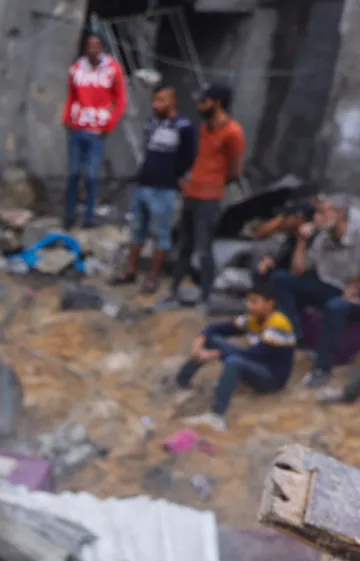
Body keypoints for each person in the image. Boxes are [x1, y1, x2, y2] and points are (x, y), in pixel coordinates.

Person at [273, 202, 360, 390]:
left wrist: (355, 282)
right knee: (280, 279)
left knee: (336, 306)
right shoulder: (321, 240)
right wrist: (301, 241)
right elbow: (297, 270)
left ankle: (322, 369)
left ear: (340, 214)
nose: (317, 218)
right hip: (334, 287)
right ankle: (296, 338)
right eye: (317, 213)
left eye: (323, 213)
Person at [174, 284, 294, 429]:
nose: (249, 305)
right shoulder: (253, 319)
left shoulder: (278, 324)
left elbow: (256, 354)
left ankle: (216, 416)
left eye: (254, 301)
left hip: (271, 377)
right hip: (256, 365)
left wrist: (215, 354)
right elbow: (217, 328)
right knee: (212, 340)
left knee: (234, 362)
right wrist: (200, 340)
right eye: (248, 301)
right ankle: (181, 381)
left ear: (270, 303)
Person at [113, 85, 196, 292]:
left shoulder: (184, 127)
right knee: (137, 230)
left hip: (164, 188)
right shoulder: (152, 124)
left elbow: (189, 157)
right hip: (143, 184)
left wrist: (174, 176)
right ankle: (131, 271)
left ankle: (153, 277)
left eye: (161, 100)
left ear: (172, 101)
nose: (156, 105)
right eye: (155, 100)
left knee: (161, 233)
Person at [169, 84, 245, 305]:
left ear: (217, 103)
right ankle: (174, 290)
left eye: (204, 101)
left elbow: (235, 170)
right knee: (184, 246)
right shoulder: (205, 128)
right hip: (192, 193)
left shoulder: (233, 132)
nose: (199, 106)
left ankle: (205, 297)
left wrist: (214, 184)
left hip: (209, 199)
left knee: (204, 249)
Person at [62, 32, 127, 230]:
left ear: (102, 48)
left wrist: (108, 125)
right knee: (74, 173)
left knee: (91, 175)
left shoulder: (112, 69)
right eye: (89, 44)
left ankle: (89, 216)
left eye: (96, 44)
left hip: (97, 130)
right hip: (77, 128)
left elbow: (120, 101)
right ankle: (70, 215)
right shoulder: (76, 68)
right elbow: (72, 96)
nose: (92, 48)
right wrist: (67, 119)